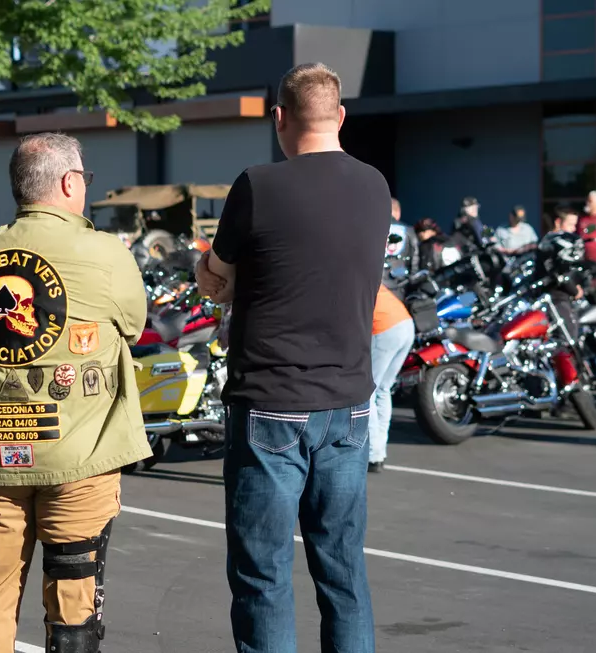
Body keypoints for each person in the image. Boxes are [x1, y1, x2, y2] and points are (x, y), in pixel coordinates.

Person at [195, 62, 388, 653]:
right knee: (344, 574)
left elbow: (215, 281)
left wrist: (208, 267)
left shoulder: (259, 184)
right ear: (341, 117)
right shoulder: (375, 186)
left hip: (272, 406)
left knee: (263, 576)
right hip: (350, 406)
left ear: (279, 118)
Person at [0, 133, 152, 653]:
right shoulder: (105, 253)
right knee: (71, 597)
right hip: (78, 455)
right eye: (85, 178)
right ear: (69, 182)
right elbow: (134, 324)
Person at [368, 285, 415, 473]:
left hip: (384, 328)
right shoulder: (363, 271)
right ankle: (379, 450)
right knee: (383, 389)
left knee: (368, 391)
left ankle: (373, 454)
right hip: (405, 325)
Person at [539, 205, 584, 340]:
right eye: (570, 225)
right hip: (558, 299)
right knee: (569, 339)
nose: (574, 229)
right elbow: (562, 274)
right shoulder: (557, 243)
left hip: (551, 298)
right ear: (558, 222)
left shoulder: (546, 240)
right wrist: (576, 291)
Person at [385, 197, 418, 284]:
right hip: (397, 282)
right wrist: (412, 278)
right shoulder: (408, 230)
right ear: (398, 212)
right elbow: (415, 257)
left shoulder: (371, 228)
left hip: (375, 282)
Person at [576, 191, 596, 263]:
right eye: (587, 200)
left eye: (590, 201)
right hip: (583, 259)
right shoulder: (581, 218)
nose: (587, 203)